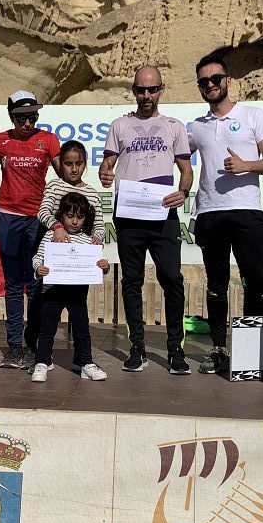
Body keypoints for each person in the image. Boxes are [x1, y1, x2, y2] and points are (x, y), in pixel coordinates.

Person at [187, 52, 263, 374]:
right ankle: (218, 349)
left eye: (215, 79)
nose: (210, 85)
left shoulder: (254, 115)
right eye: (204, 81)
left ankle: (250, 352)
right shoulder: (195, 127)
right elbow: (171, 152)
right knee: (216, 283)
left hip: (246, 212)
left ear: (228, 80)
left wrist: (246, 165)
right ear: (199, 87)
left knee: (254, 282)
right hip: (210, 213)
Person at [99, 65, 193, 375]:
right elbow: (107, 165)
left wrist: (183, 191)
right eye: (141, 89)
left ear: (161, 90)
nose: (146, 95)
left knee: (172, 279)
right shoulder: (119, 126)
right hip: (129, 216)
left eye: (152, 89)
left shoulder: (174, 126)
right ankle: (136, 348)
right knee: (132, 282)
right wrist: (104, 174)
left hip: (163, 213)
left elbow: (186, 171)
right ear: (134, 90)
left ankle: (174, 349)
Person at [0, 91, 61, 369]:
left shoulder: (48, 140)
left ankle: (34, 345)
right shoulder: (0, 140)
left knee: (35, 283)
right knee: (12, 284)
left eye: (32, 117)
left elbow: (66, 173)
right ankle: (14, 346)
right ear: (11, 117)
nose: (27, 123)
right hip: (8, 215)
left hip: (37, 217)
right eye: (21, 118)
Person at [31, 192, 109, 382]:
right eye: (70, 216)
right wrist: (38, 269)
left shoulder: (90, 241)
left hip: (77, 294)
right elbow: (37, 258)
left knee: (82, 329)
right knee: (47, 328)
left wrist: (103, 266)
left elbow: (99, 266)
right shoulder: (51, 235)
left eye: (80, 217)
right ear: (61, 215)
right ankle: (42, 362)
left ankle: (86, 363)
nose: (75, 221)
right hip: (52, 292)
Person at [38, 140, 106, 244]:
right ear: (61, 164)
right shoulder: (54, 186)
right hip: (54, 245)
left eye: (79, 164)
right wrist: (57, 227)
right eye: (68, 164)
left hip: (81, 250)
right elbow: (43, 213)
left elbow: (99, 226)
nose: (74, 169)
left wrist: (97, 238)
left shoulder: (93, 195)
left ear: (85, 163)